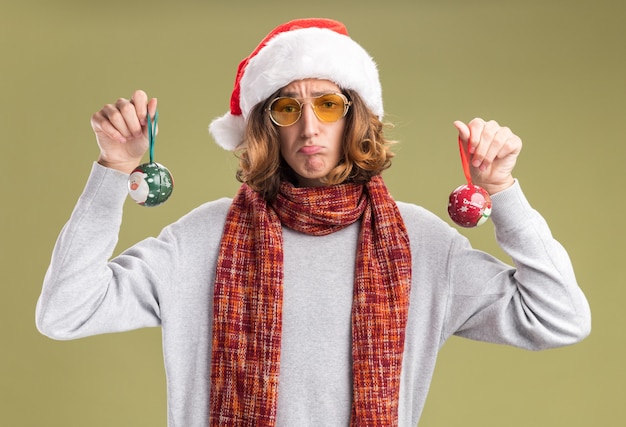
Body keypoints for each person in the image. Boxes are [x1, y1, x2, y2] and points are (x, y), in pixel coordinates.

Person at [36, 18, 591, 427]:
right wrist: (114, 170)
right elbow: (65, 311)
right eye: (286, 107)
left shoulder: (420, 245)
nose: (308, 126)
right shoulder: (198, 241)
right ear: (264, 125)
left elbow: (558, 317)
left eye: (328, 104)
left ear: (355, 116)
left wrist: (503, 193)